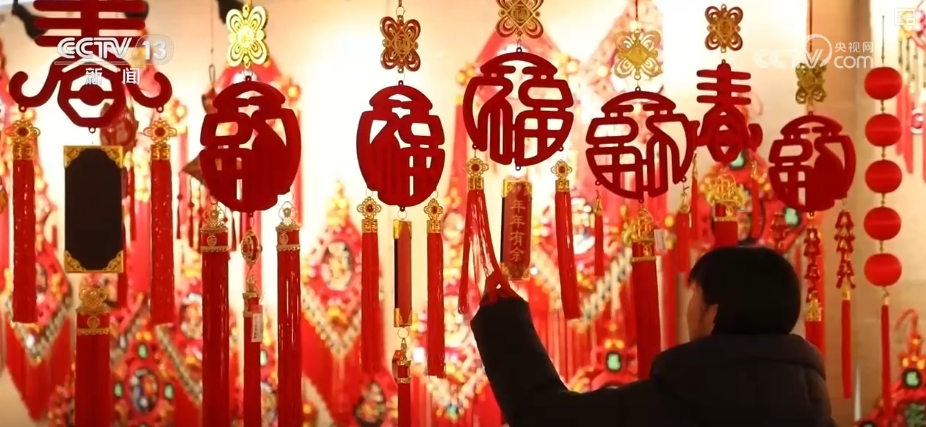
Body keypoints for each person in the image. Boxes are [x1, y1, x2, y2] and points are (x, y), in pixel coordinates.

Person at [472, 245, 836, 427]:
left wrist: (502, 321)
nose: (689, 309)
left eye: (695, 297)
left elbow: (548, 419)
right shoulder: (811, 405)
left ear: (714, 314)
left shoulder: (679, 399)